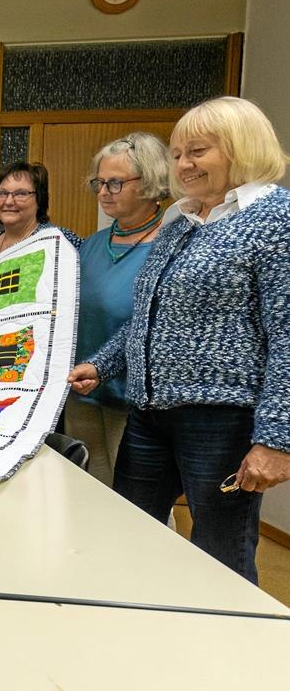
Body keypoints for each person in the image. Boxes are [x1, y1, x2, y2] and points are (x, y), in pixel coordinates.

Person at [67, 96, 290, 583]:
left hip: (219, 420)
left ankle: (223, 650)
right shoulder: (181, 223)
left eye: (199, 151)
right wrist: (102, 364)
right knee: (128, 533)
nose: (184, 164)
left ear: (241, 148)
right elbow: (149, 318)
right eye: (177, 153)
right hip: (150, 414)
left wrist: (276, 439)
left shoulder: (275, 219)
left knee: (219, 553)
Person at [66, 133, 170, 486]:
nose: (104, 192)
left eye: (115, 182)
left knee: (137, 498)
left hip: (133, 395)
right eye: (99, 182)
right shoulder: (92, 245)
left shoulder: (168, 246)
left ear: (150, 182)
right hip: (81, 389)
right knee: (90, 484)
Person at [0, 161, 82, 259]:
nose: (8, 202)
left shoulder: (59, 239)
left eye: (20, 193)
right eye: (3, 193)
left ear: (39, 199)